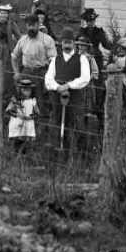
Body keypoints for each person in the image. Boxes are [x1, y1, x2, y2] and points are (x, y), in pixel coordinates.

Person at [44, 28, 92, 159]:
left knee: (77, 127)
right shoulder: (55, 60)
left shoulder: (82, 59)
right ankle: (59, 158)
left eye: (69, 42)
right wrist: (58, 87)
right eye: (64, 42)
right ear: (61, 44)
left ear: (74, 44)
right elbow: (48, 79)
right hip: (57, 98)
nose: (67, 45)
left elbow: (85, 78)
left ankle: (79, 159)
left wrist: (69, 85)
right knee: (57, 126)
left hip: (75, 99)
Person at [12, 14, 57, 105]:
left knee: (40, 103)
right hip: (26, 73)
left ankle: (40, 118)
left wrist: (49, 77)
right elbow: (14, 57)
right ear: (26, 26)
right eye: (29, 25)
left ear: (38, 24)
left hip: (41, 74)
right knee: (23, 102)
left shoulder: (47, 39)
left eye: (34, 25)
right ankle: (24, 118)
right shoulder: (23, 40)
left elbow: (53, 60)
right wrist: (16, 72)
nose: (31, 28)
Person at [0, 4, 22, 98]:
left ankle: (6, 92)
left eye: (5, 14)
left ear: (8, 15)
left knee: (7, 70)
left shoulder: (11, 24)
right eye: (2, 13)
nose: (3, 15)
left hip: (8, 49)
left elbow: (19, 37)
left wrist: (15, 48)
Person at [6, 77, 40, 155]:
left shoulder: (33, 100)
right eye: (24, 90)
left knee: (25, 143)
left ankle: (24, 157)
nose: (27, 92)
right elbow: (8, 110)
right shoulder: (16, 100)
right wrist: (17, 114)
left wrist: (31, 117)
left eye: (28, 90)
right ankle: (15, 156)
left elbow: (37, 113)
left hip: (28, 123)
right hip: (17, 122)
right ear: (20, 90)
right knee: (17, 141)